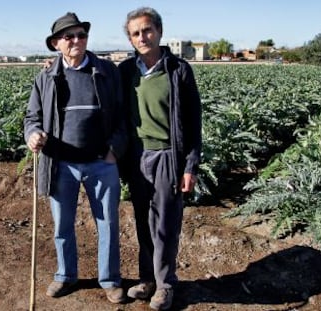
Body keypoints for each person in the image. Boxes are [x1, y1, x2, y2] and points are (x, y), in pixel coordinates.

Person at [23, 12, 126, 304]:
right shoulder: (45, 77)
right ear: (56, 43)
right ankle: (65, 276)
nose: (77, 40)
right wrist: (33, 134)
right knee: (62, 225)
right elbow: (32, 117)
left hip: (100, 162)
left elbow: (122, 116)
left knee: (107, 224)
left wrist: (114, 150)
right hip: (61, 164)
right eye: (69, 36)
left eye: (81, 35)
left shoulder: (106, 71)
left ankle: (110, 279)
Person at [118, 7, 202, 310]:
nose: (143, 37)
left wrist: (190, 165)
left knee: (165, 225)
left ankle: (166, 284)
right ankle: (147, 279)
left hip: (168, 156)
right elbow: (93, 76)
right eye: (136, 33)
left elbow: (194, 122)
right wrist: (54, 64)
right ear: (130, 39)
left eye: (147, 30)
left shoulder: (178, 70)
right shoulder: (126, 71)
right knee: (143, 222)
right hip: (138, 157)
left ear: (159, 31)